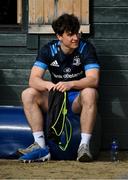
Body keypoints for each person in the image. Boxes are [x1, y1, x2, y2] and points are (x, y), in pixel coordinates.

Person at [18, 13, 100, 162]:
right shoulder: (48, 49)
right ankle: (41, 147)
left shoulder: (86, 48)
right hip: (56, 99)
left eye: (77, 33)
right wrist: (48, 85)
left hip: (76, 100)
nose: (76, 37)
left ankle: (84, 146)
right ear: (59, 36)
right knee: (28, 94)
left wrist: (71, 83)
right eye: (70, 34)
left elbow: (93, 79)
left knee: (90, 92)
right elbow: (33, 79)